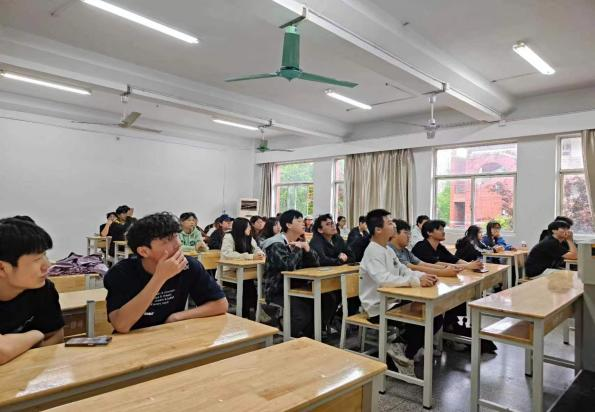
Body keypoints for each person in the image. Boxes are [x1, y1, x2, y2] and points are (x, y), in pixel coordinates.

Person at [103, 212, 228, 333]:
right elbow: (121, 325)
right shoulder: (121, 272)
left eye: (176, 236)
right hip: (132, 341)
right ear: (144, 251)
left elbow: (220, 304)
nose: (178, 244)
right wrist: (160, 278)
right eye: (167, 240)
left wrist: (177, 317)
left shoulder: (187, 265)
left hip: (170, 335)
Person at [359, 210, 440, 377]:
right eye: (389, 223)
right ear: (378, 230)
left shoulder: (387, 250)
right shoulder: (373, 251)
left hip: (393, 301)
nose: (394, 225)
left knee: (435, 314)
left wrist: (422, 276)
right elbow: (384, 280)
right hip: (378, 307)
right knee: (423, 316)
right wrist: (416, 281)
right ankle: (403, 352)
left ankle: (401, 348)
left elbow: (404, 270)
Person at [263, 209, 337, 338]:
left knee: (328, 299)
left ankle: (311, 334)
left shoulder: (300, 240)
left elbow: (315, 264)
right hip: (278, 289)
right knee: (303, 313)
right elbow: (287, 267)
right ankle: (286, 330)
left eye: (303, 220)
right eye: (299, 221)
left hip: (298, 286)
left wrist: (307, 249)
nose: (303, 223)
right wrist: (298, 248)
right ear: (288, 225)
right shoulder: (275, 244)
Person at [0, 218, 64, 365]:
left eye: (45, 255)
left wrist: (14, 348)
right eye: (36, 259)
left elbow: (56, 336)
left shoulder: (43, 289)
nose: (47, 266)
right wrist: (36, 335)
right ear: (2, 268)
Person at [221, 217, 264, 319]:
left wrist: (260, 254)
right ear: (241, 227)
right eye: (248, 227)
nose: (250, 229)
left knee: (248, 283)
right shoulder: (229, 237)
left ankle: (250, 313)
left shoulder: (249, 237)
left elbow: (257, 249)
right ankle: (251, 313)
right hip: (229, 271)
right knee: (248, 285)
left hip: (244, 271)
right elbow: (228, 254)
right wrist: (249, 256)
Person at [390, 219, 462, 277]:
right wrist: (442, 272)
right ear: (394, 233)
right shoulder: (390, 250)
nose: (409, 236)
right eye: (406, 233)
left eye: (410, 233)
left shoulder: (405, 250)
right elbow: (412, 267)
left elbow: (421, 264)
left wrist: (446, 268)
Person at [412, 220, 483, 271]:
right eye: (440, 230)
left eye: (443, 229)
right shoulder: (421, 247)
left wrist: (471, 265)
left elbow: (454, 259)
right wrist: (467, 266)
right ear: (429, 232)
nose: (443, 232)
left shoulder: (439, 247)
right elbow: (437, 265)